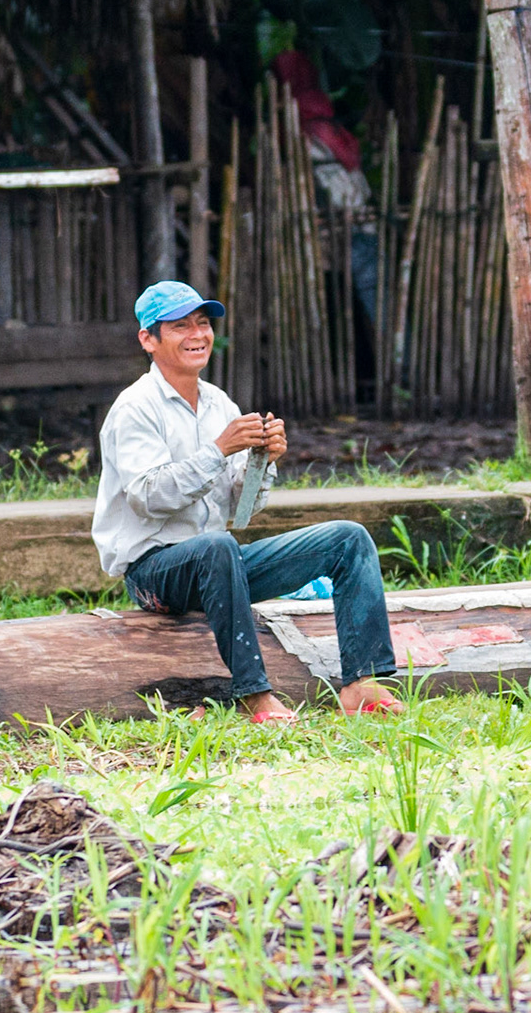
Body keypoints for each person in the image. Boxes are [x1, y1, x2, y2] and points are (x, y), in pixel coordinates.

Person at [91, 281, 408, 724]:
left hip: (220, 564)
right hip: (155, 573)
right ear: (149, 339)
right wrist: (218, 450)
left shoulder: (219, 403)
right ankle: (254, 695)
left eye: (203, 324)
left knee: (348, 539)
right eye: (181, 326)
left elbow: (242, 512)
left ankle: (361, 684)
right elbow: (148, 499)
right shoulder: (135, 408)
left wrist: (264, 461)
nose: (198, 335)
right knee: (216, 548)